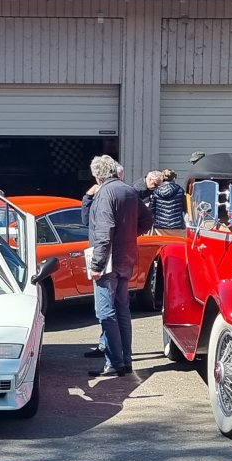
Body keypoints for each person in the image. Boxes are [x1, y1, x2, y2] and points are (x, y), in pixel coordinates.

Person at [85, 155, 143, 377]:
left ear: (97, 176)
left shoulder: (104, 193)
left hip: (108, 261)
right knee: (121, 311)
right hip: (125, 258)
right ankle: (125, 361)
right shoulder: (129, 190)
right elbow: (147, 219)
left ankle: (115, 362)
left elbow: (104, 231)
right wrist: (127, 236)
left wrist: (97, 265)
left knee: (105, 312)